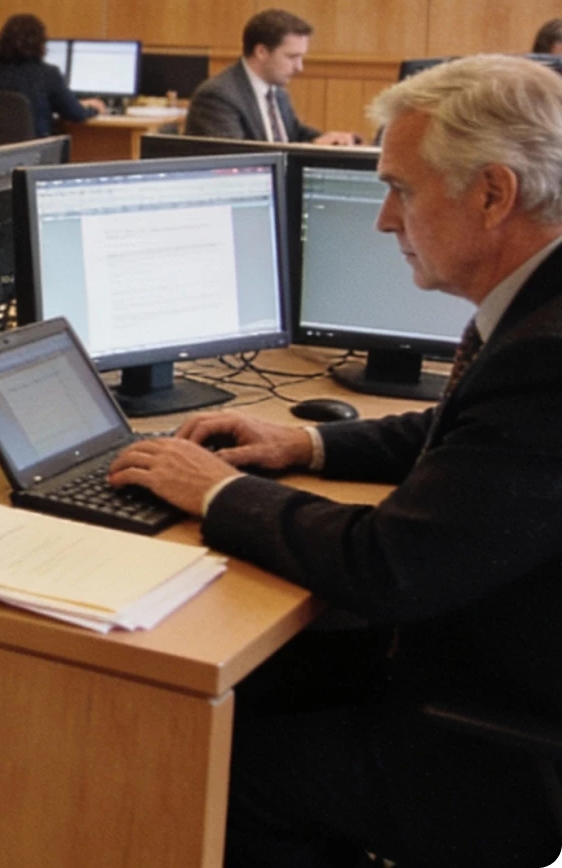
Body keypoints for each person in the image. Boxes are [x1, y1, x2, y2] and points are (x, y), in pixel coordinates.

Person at [109, 54, 562, 866]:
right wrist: (307, 442)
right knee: (230, 690)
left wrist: (218, 494)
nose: (385, 220)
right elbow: (465, 433)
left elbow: (389, 567)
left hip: (503, 743)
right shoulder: (541, 312)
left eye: (402, 190)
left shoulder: (548, 355)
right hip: (505, 672)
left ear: (494, 194)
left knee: (202, 767)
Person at [185, 9, 359, 145]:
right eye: (292, 57)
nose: (299, 67)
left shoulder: (276, 91)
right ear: (261, 52)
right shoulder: (217, 96)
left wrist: (331, 140)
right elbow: (233, 161)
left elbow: (293, 134)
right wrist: (312, 147)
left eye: (301, 57)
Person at [0, 13, 106, 137]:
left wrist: (78, 103)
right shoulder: (48, 74)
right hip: (34, 148)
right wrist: (94, 109)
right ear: (40, 43)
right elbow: (75, 114)